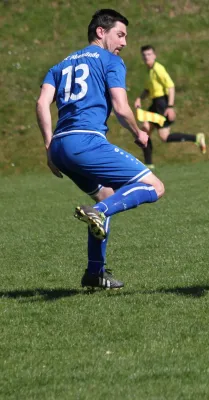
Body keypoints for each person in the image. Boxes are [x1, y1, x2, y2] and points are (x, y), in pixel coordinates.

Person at [36, 9, 165, 289]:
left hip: (60, 146)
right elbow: (121, 107)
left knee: (106, 196)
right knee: (155, 186)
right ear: (100, 32)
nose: (124, 42)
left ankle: (95, 273)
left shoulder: (59, 66)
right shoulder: (110, 61)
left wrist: (48, 147)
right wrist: (138, 132)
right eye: (120, 34)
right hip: (86, 141)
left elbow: (41, 103)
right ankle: (102, 212)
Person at [134, 45, 206, 169]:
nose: (147, 57)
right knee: (145, 130)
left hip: (161, 105)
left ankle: (197, 138)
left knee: (164, 137)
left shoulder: (158, 69)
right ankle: (148, 164)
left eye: (149, 54)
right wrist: (140, 98)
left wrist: (170, 106)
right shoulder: (148, 70)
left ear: (155, 55)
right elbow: (147, 89)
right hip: (154, 105)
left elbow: (171, 86)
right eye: (144, 55)